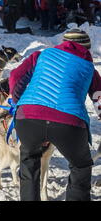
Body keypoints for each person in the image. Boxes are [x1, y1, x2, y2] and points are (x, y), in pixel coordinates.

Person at [9, 29, 101, 201]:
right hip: (68, 123)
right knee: (80, 166)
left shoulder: (41, 55)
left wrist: (16, 101)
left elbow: (15, 76)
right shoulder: (89, 67)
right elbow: (99, 97)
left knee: (29, 165)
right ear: (86, 49)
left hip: (29, 117)